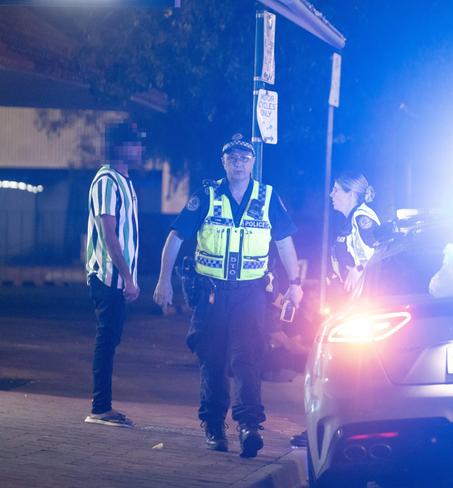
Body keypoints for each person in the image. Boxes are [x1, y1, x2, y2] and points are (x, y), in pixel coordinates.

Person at [153, 133, 303, 458]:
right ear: (224, 162)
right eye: (232, 158)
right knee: (213, 358)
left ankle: (249, 426)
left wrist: (295, 283)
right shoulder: (207, 194)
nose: (238, 163)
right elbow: (176, 238)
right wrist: (163, 281)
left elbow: (284, 242)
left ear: (253, 163)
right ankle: (213, 425)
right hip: (211, 292)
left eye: (244, 158)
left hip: (250, 293)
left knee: (247, 358)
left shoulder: (267, 197)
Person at [290, 171, 380, 448]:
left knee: (336, 366)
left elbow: (380, 250)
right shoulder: (351, 219)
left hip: (360, 307)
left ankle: (331, 429)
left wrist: (361, 269)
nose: (331, 195)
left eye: (336, 191)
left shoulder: (362, 218)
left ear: (352, 193)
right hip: (349, 305)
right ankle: (327, 427)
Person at [84, 121, 144, 428]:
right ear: (120, 147)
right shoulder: (107, 180)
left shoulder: (124, 181)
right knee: (106, 339)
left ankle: (103, 405)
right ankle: (99, 407)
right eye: (134, 144)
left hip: (118, 278)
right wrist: (128, 277)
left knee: (111, 338)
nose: (140, 149)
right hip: (107, 277)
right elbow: (109, 234)